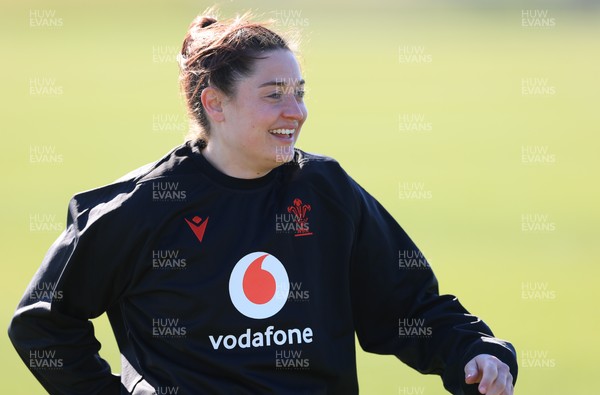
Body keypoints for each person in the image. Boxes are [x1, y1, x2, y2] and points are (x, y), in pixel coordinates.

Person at [8, 11, 517, 395]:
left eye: (300, 92)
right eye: (274, 94)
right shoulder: (145, 207)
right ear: (215, 103)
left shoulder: (327, 191)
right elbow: (42, 323)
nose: (295, 111)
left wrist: (473, 351)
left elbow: (406, 305)